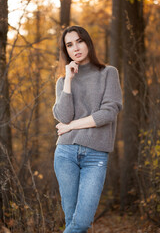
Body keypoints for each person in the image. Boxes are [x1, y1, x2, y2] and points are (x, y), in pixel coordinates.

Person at [52, 25, 122, 233]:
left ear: (88, 42)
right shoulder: (63, 81)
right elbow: (63, 116)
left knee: (80, 222)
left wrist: (72, 126)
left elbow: (108, 113)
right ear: (66, 51)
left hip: (95, 156)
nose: (76, 48)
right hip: (65, 154)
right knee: (72, 220)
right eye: (69, 45)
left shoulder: (108, 73)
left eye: (79, 41)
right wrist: (68, 82)